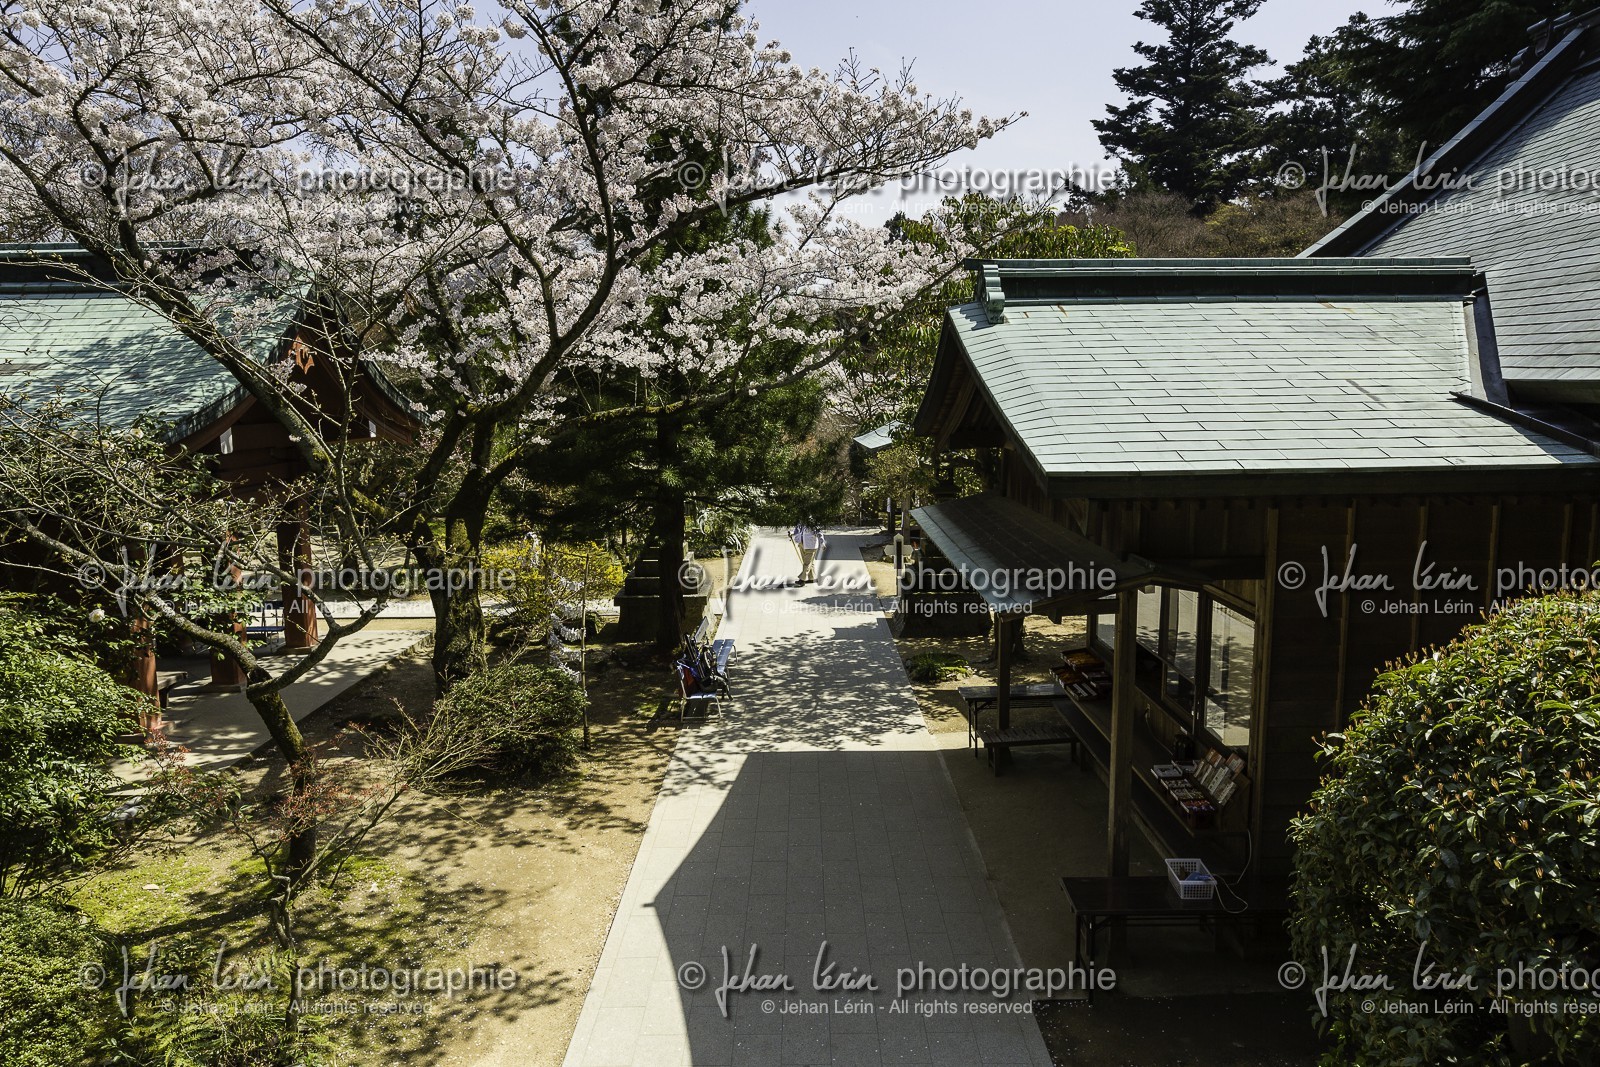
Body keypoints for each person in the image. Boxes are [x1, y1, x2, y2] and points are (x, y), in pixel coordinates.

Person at [789, 520, 824, 584]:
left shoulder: (813, 522)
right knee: (808, 563)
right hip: (802, 544)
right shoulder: (801, 521)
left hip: (811, 545)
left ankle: (802, 580)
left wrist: (822, 543)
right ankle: (812, 578)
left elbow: (819, 533)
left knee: (807, 564)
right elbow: (797, 531)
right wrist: (792, 533)